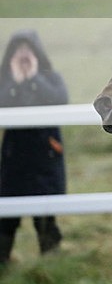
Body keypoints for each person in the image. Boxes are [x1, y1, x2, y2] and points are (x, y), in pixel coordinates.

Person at [0, 30, 68, 265]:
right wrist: (16, 84)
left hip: (46, 155)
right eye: (18, 51)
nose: (23, 56)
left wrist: (34, 79)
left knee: (46, 215)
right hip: (14, 158)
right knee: (5, 217)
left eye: (28, 50)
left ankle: (51, 267)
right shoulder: (4, 81)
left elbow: (61, 101)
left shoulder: (51, 79)